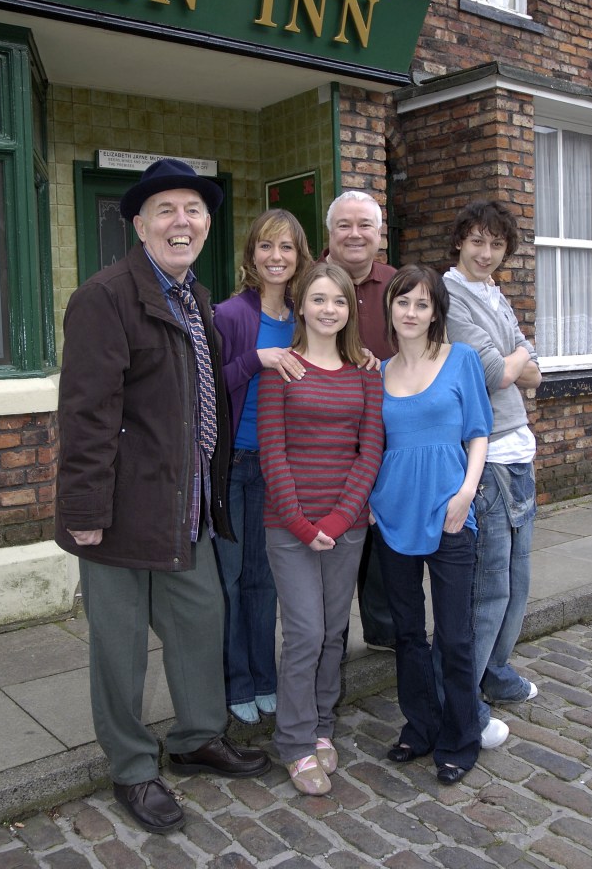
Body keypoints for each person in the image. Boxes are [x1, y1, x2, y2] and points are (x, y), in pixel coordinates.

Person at [55, 159, 270, 836]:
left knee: (199, 625)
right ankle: (132, 767)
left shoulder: (195, 297)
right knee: (118, 647)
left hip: (189, 510)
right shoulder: (106, 297)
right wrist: (84, 513)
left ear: (207, 225)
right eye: (167, 210)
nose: (183, 222)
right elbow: (86, 415)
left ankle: (197, 738)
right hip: (121, 511)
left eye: (194, 210)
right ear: (140, 224)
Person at [258, 263, 384, 795]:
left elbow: (369, 451)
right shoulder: (281, 369)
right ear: (301, 306)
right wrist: (304, 525)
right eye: (318, 299)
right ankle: (293, 741)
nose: (329, 309)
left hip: (346, 524)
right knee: (305, 633)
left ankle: (322, 727)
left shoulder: (366, 372)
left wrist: (335, 520)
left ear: (350, 309)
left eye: (339, 300)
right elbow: (272, 453)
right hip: (289, 525)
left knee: (334, 631)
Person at [370, 264, 492, 785]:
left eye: (422, 303)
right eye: (403, 303)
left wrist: (466, 493)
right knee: (406, 632)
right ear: (390, 310)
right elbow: (371, 446)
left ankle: (460, 739)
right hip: (392, 515)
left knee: (455, 636)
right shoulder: (377, 373)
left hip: (450, 514)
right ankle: (419, 727)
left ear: (435, 310)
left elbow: (479, 432)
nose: (411, 312)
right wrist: (372, 504)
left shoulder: (461, 360)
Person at [444, 200, 542, 750]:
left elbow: (533, 373)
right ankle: (462, 694)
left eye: (497, 245)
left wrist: (519, 356)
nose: (486, 253)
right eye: (477, 241)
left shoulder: (494, 294)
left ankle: (496, 670)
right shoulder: (453, 296)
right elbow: (491, 373)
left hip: (519, 450)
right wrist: (519, 354)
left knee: (519, 580)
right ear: (460, 241)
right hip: (487, 459)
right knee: (489, 586)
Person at [212, 209, 312, 726]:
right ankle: (236, 681)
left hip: (279, 466)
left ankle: (265, 677)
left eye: (287, 248)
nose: (277, 257)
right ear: (251, 254)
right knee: (228, 580)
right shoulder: (229, 315)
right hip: (231, 466)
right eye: (266, 247)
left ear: (299, 256)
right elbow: (207, 389)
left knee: (264, 579)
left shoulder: (306, 314)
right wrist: (258, 359)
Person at [322, 190, 397, 652]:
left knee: (382, 536)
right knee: (333, 537)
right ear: (329, 233)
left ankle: (384, 630)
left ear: (379, 233)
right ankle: (331, 640)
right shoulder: (306, 282)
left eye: (365, 225)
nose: (355, 234)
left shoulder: (398, 285)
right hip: (325, 435)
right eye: (344, 225)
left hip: (388, 435)